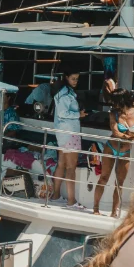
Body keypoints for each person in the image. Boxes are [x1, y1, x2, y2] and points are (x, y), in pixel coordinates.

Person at [92, 92, 134, 217]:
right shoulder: (113, 113)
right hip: (111, 147)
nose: (112, 104)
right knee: (103, 178)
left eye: (114, 101)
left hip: (125, 150)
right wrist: (130, 136)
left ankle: (114, 211)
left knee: (119, 182)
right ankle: (95, 208)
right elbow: (115, 132)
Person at [52, 70, 84, 207]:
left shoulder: (62, 92)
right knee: (71, 167)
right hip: (70, 132)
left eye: (77, 79)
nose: (75, 81)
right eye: (73, 78)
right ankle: (71, 200)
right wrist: (79, 114)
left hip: (62, 133)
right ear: (66, 78)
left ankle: (55, 195)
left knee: (61, 164)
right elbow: (62, 113)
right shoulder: (65, 94)